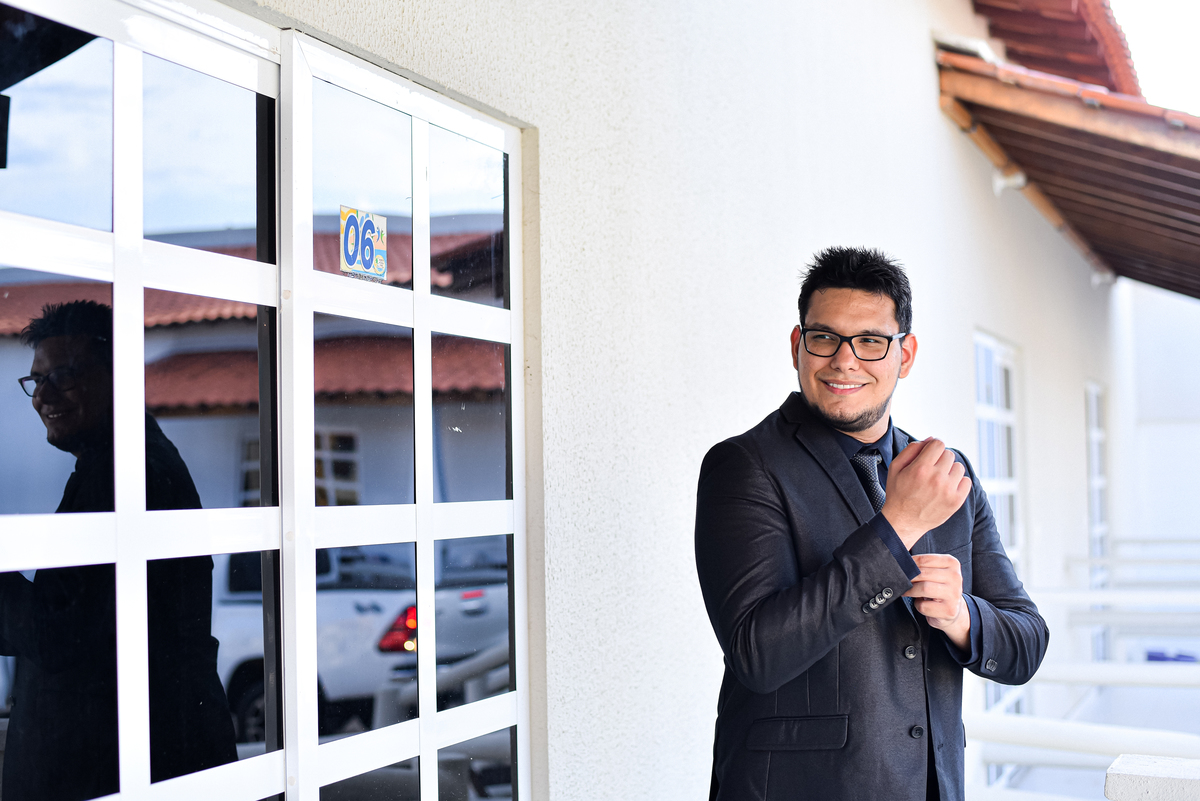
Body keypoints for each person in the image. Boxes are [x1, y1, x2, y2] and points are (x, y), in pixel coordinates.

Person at [694, 248, 1048, 801]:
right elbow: (756, 653)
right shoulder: (745, 465)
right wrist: (898, 525)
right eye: (825, 337)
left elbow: (1026, 642)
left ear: (905, 354)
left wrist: (960, 615)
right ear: (797, 345)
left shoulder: (947, 474)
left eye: (870, 341)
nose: (844, 360)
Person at [0, 300, 237, 801]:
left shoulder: (130, 474)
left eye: (62, 376)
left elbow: (62, 633)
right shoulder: (116, 463)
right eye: (36, 380)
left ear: (117, 376)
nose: (42, 396)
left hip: (129, 766)